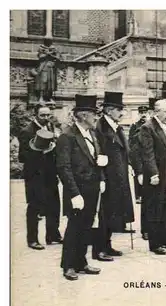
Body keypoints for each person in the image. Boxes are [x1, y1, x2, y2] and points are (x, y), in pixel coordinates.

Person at [56, 94, 106, 281]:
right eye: (94, 114)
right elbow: (64, 167)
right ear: (84, 115)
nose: (96, 118)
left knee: (87, 226)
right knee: (74, 226)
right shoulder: (67, 137)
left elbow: (97, 160)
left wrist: (101, 177)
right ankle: (68, 265)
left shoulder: (91, 134)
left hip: (92, 188)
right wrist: (74, 193)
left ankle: (81, 261)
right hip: (77, 190)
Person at [93, 92, 134, 262]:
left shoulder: (115, 127)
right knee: (104, 214)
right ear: (109, 110)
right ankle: (99, 249)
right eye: (119, 109)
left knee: (113, 213)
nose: (122, 113)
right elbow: (99, 154)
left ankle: (107, 244)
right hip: (108, 178)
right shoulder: (101, 128)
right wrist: (102, 178)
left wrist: (129, 164)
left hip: (119, 178)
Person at [18, 105, 62, 249]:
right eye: (42, 115)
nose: (46, 118)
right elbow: (22, 156)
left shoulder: (51, 128)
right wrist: (41, 151)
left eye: (48, 115)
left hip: (50, 173)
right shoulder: (27, 131)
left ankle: (52, 235)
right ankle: (32, 239)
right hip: (35, 175)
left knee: (54, 204)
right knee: (35, 206)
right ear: (35, 115)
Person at [140, 99, 166, 255]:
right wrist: (153, 173)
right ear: (157, 111)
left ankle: (165, 239)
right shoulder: (147, 128)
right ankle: (155, 243)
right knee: (155, 208)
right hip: (156, 175)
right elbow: (147, 153)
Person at [129, 99, 155, 241]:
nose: (147, 115)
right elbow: (135, 151)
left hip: (158, 171)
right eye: (145, 113)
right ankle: (146, 229)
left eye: (149, 112)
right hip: (146, 170)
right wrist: (138, 171)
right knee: (147, 201)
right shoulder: (140, 128)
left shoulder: (158, 128)